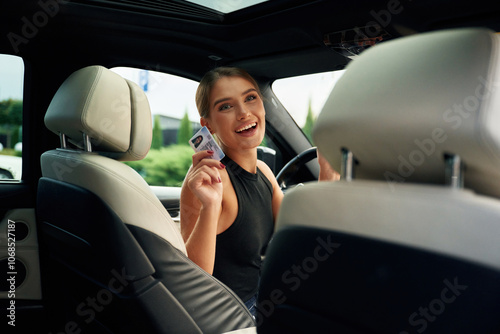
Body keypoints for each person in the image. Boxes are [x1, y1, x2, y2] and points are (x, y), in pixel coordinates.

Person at [180, 67, 283, 316]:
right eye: (225, 106)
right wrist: (211, 206)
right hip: (232, 313)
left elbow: (290, 236)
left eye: (250, 98)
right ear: (208, 125)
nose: (244, 112)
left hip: (265, 295)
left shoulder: (264, 171)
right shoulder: (205, 183)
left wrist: (327, 175)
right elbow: (194, 281)